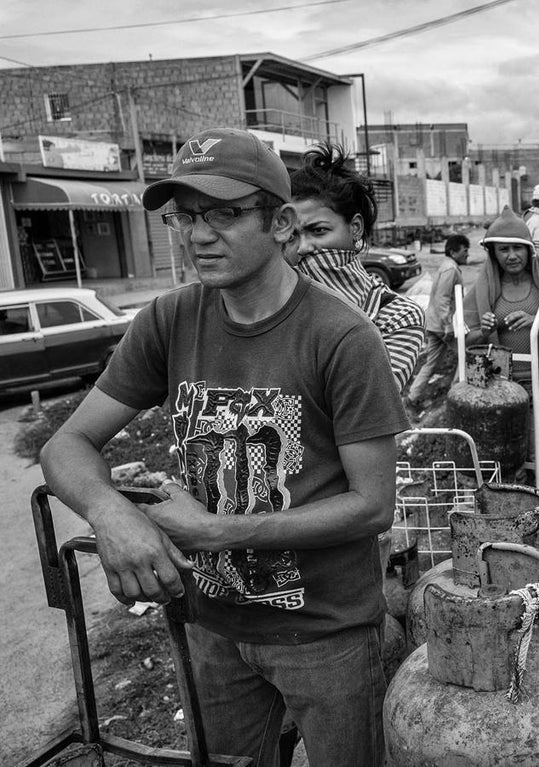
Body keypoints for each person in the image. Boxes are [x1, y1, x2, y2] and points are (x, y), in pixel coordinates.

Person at [39, 127, 409, 766]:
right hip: (212, 623)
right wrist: (111, 513)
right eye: (185, 217)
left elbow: (373, 506)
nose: (198, 235)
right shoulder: (170, 318)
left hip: (326, 632)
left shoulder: (342, 338)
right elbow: (67, 443)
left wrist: (212, 531)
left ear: (282, 223)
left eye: (225, 214)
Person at [288, 142, 426, 388]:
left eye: (318, 231)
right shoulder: (275, 301)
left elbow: (372, 402)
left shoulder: (398, 316)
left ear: (356, 228)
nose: (303, 247)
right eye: (292, 236)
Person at [465, 206, 539, 470]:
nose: (512, 256)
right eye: (504, 249)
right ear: (493, 253)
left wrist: (535, 321)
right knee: (504, 461)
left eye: (518, 248)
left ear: (529, 249)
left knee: (538, 462)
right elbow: (465, 341)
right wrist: (485, 328)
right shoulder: (485, 285)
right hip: (498, 385)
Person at [406, 233, 471, 409]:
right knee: (466, 357)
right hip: (442, 326)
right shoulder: (450, 269)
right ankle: (454, 394)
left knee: (431, 363)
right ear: (453, 251)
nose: (468, 255)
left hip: (434, 323)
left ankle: (412, 396)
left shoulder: (447, 266)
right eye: (465, 251)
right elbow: (442, 298)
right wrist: (448, 325)